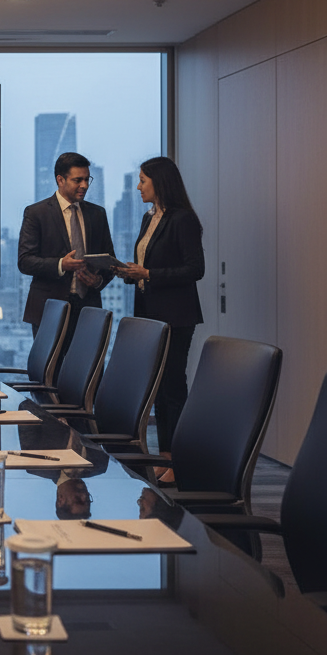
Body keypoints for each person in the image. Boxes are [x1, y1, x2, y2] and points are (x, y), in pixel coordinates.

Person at [114, 156, 204, 485]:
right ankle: (165, 457)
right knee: (159, 390)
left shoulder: (183, 219)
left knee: (172, 388)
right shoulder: (149, 218)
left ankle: (179, 460)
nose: (138, 187)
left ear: (160, 183)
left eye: (143, 180)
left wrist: (149, 273)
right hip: (150, 315)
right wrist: (130, 273)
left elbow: (195, 269)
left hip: (176, 316)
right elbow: (147, 265)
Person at [18, 152, 115, 346]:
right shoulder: (36, 213)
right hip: (49, 309)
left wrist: (98, 281)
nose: (84, 185)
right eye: (78, 180)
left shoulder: (97, 214)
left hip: (89, 308)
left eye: (87, 179)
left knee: (88, 365)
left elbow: (110, 261)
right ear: (60, 180)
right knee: (50, 365)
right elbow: (25, 261)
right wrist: (61, 264)